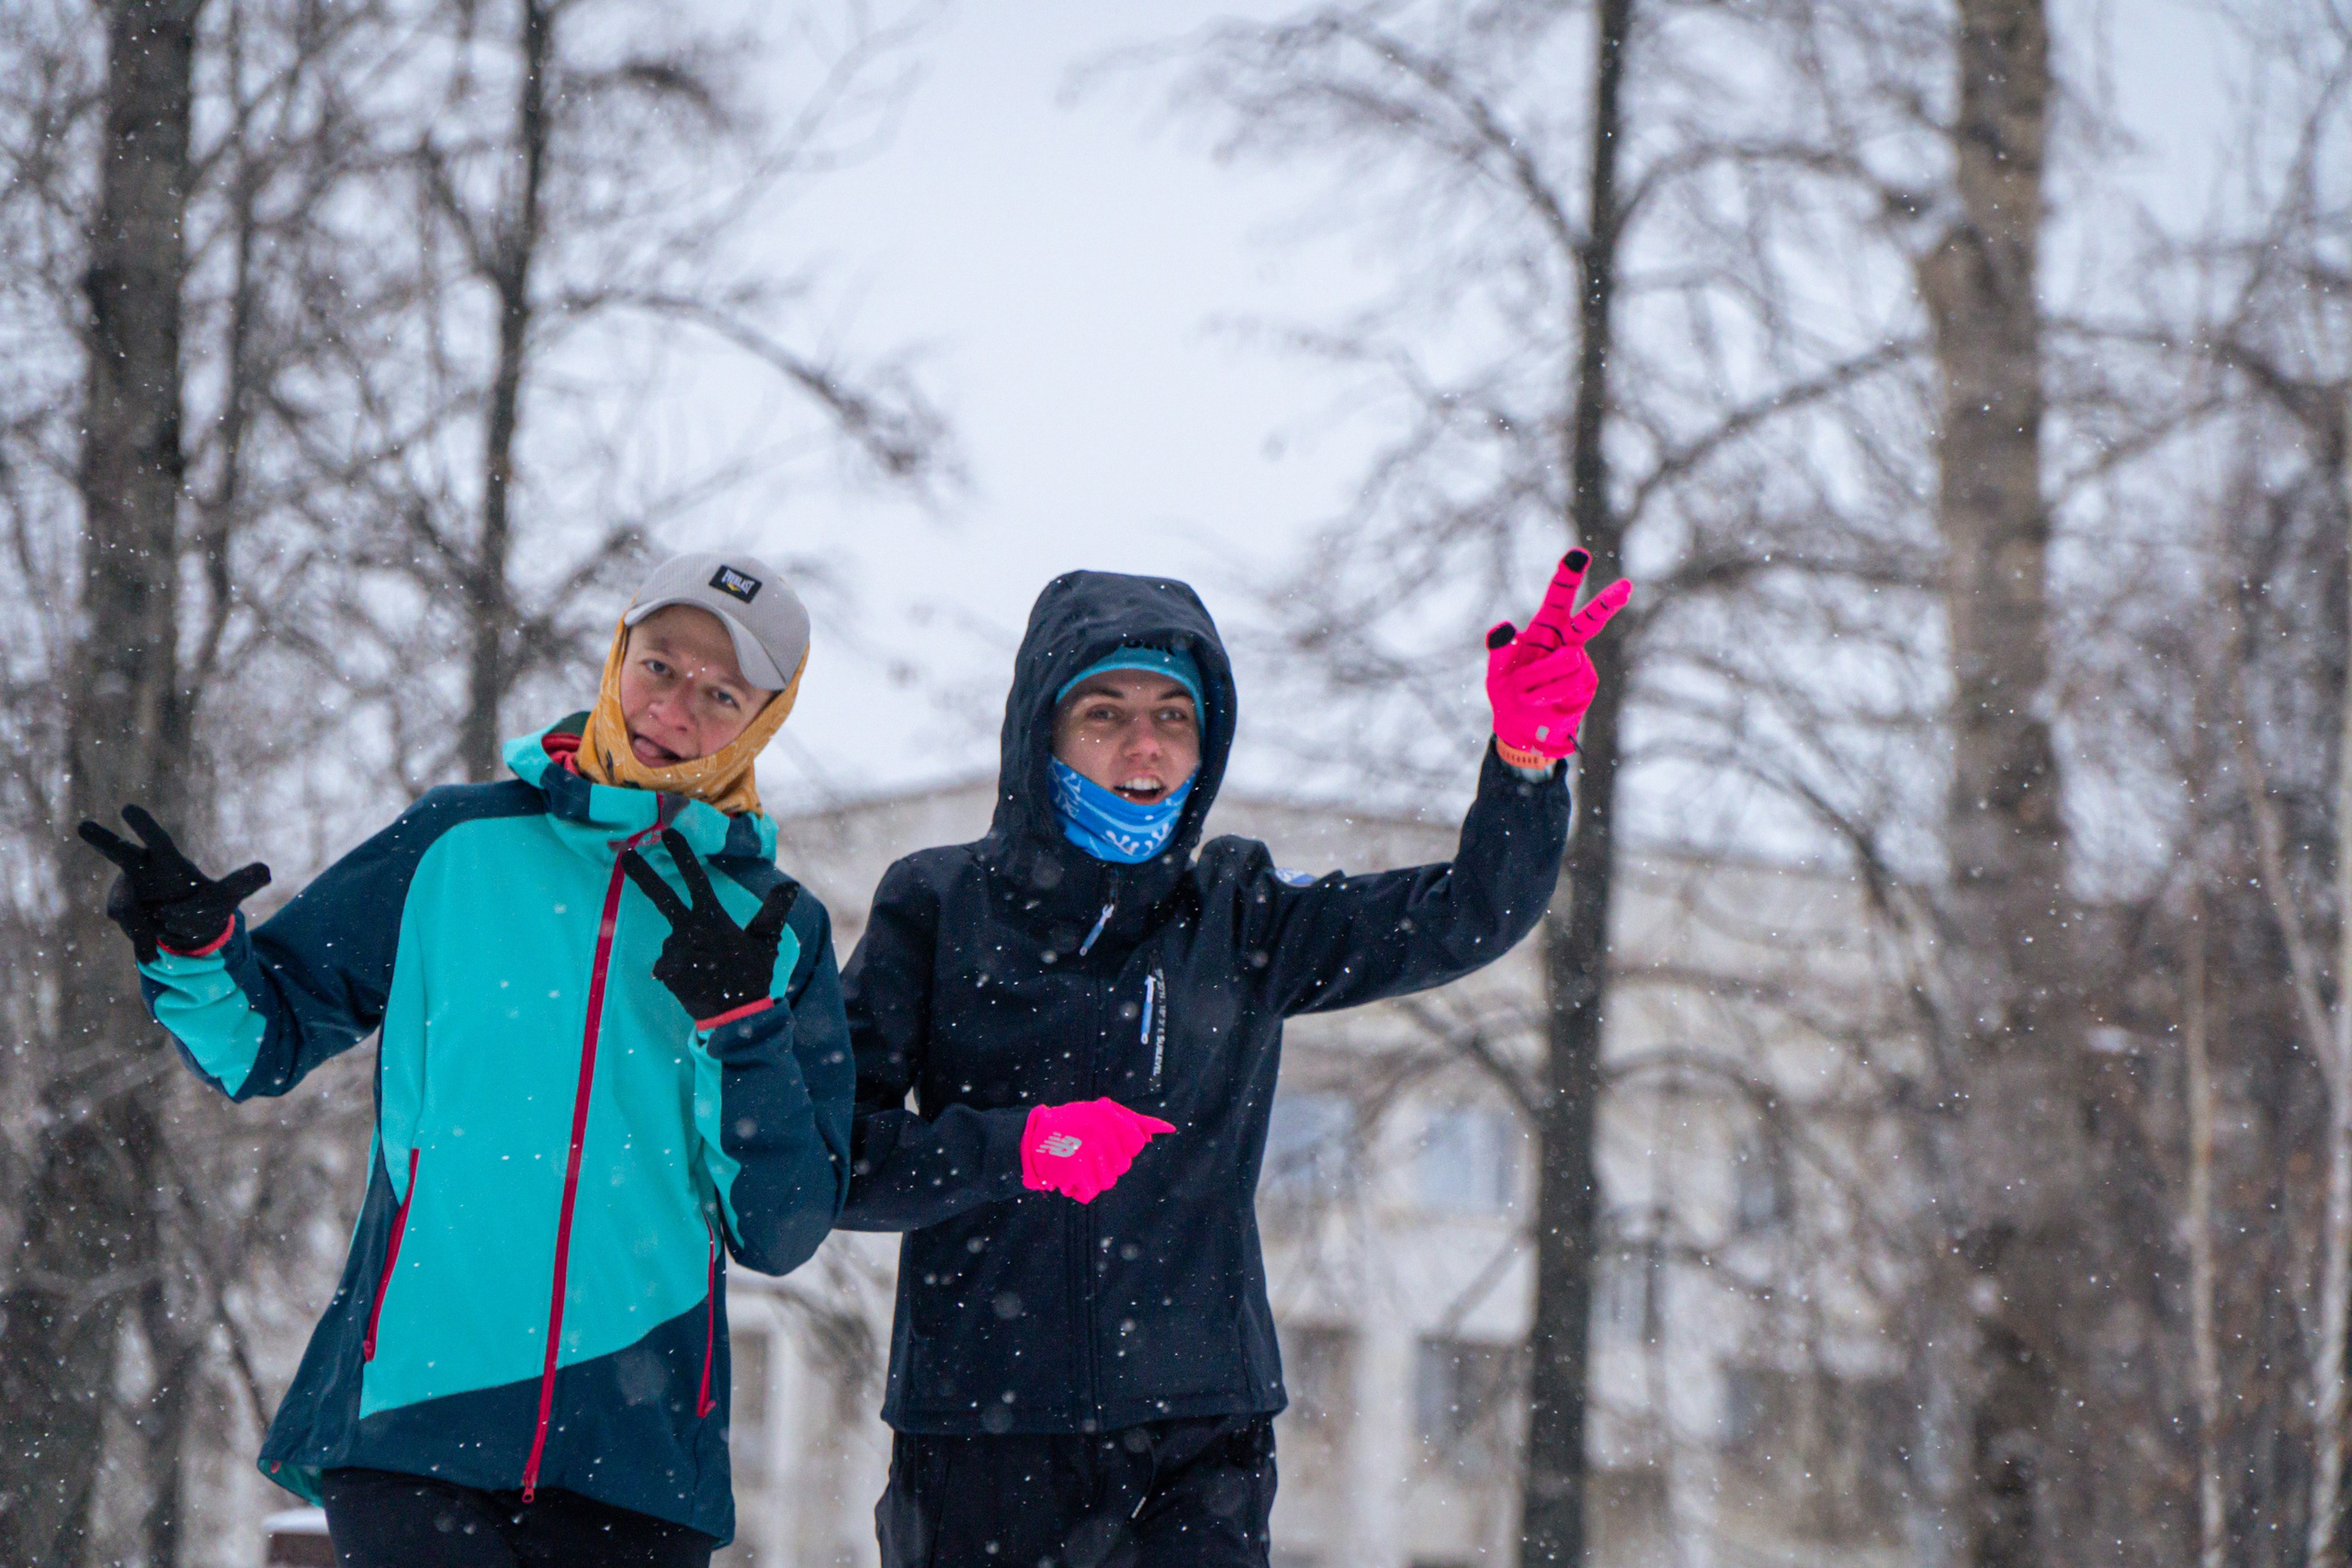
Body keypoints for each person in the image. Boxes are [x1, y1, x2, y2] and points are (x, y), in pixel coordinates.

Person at [837, 554, 1629, 1567]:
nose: (1145, 744)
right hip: (985, 1432)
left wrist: (1525, 763)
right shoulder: (939, 905)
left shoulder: (1240, 911)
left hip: (1199, 1436)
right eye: (1105, 712)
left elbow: (1465, 915)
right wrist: (1015, 1150)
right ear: (1040, 730)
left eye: (1174, 715)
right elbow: (836, 1161)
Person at [78, 551, 853, 1568]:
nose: (674, 709)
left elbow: (781, 1229)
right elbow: (262, 1041)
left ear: (762, 721)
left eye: (721, 695)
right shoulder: (456, 843)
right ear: (618, 656)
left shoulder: (778, 930)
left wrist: (741, 1026)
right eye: (660, 666)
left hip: (637, 1449)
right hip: (418, 1410)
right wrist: (193, 949)